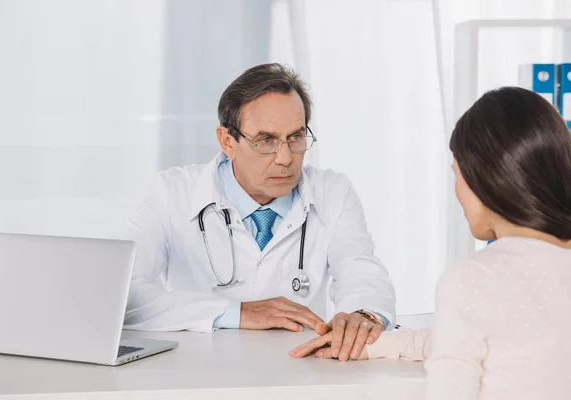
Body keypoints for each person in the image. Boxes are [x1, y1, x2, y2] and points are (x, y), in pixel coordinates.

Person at [290, 86, 571, 398]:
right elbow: (499, 337)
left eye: (457, 174)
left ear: (487, 178)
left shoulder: (475, 277)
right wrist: (379, 343)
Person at [123, 63, 396, 361]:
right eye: (266, 140)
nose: (285, 158)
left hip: (300, 372)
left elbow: (362, 270)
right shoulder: (170, 193)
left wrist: (363, 313)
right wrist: (234, 312)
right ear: (228, 141)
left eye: (296, 137)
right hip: (198, 373)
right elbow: (125, 296)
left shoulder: (333, 192)